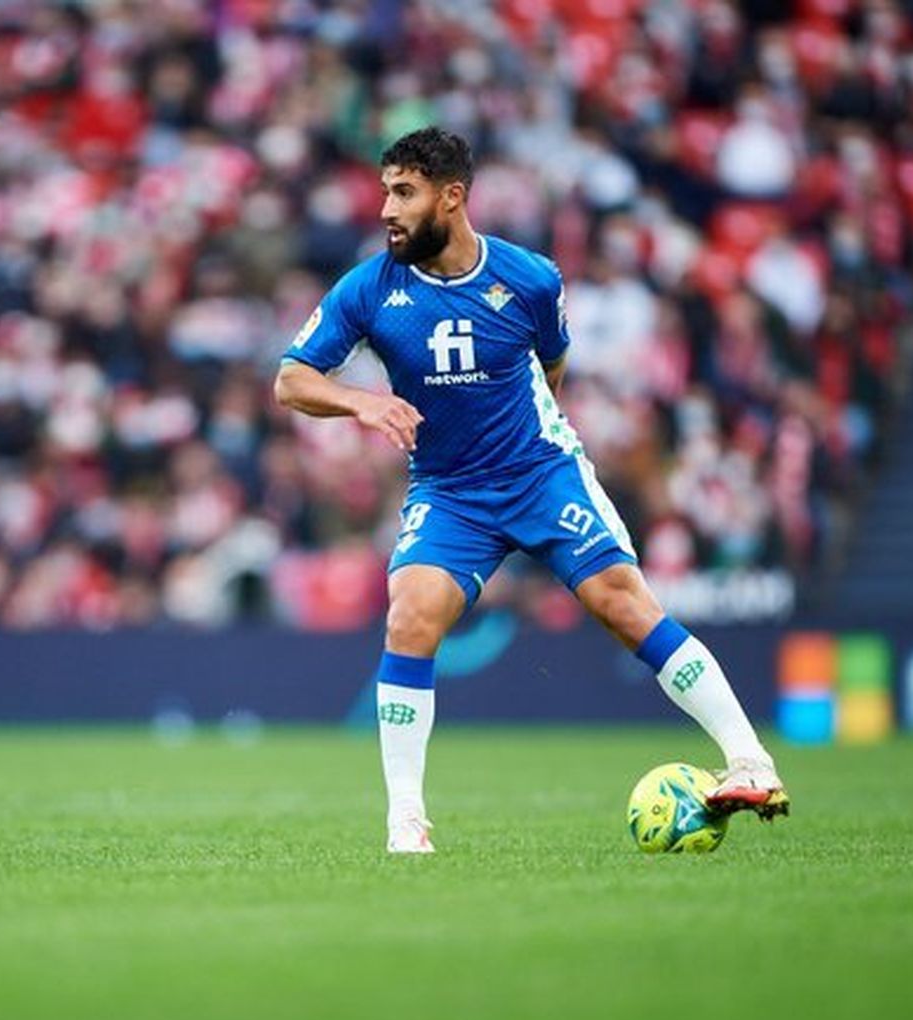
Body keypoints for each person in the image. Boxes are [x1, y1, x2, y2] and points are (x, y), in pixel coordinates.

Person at [273, 128, 789, 854]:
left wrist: (525, 439)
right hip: (450, 490)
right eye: (386, 190)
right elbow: (291, 380)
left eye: (404, 193)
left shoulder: (531, 279)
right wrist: (362, 402)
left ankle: (751, 763)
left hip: (540, 472)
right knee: (410, 617)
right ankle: (406, 825)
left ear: (451, 197)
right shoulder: (368, 288)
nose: (386, 209)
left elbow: (552, 368)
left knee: (622, 601)